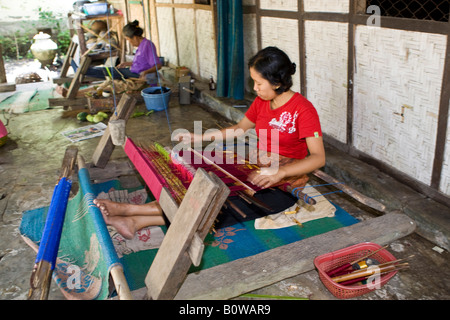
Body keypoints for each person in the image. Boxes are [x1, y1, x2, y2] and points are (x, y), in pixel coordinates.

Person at [94, 46, 325, 239]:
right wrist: (198, 138)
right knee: (198, 188)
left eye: (259, 83)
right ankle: (133, 220)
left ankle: (131, 213)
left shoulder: (303, 110)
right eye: (253, 82)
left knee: (219, 207)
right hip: (255, 169)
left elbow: (318, 158)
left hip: (283, 186)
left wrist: (280, 173)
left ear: (277, 82)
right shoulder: (262, 102)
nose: (255, 89)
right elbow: (239, 129)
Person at [57, 20, 161, 97]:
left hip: (137, 75)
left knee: (109, 76)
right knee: (108, 77)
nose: (130, 43)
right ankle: (74, 90)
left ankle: (82, 75)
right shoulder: (141, 46)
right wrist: (127, 64)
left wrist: (146, 72)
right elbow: (142, 62)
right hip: (130, 71)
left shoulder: (148, 45)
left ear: (135, 37)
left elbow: (158, 65)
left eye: (128, 40)